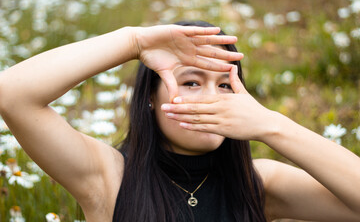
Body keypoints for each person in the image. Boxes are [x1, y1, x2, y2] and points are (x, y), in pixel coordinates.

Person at [0, 20, 359, 222]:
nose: (210, 97)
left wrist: (273, 125)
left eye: (224, 85)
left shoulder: (260, 182)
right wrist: (133, 41)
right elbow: (12, 94)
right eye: (190, 82)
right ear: (151, 101)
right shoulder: (108, 176)